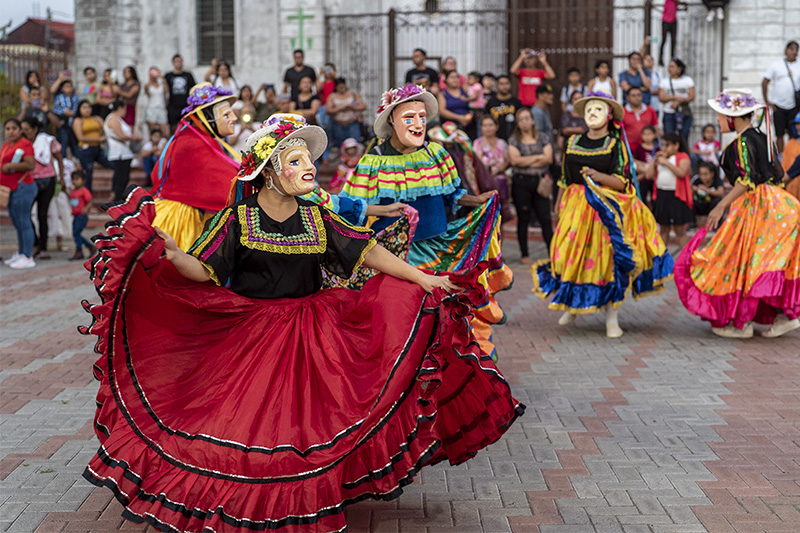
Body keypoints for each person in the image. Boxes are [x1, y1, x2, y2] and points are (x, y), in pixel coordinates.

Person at [80, 113, 524, 532]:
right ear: (270, 171)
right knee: (255, 426)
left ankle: (310, 492)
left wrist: (424, 277)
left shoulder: (316, 215)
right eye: (296, 160)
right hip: (252, 334)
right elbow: (206, 269)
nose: (310, 167)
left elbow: (366, 251)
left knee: (315, 422)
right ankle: (255, 498)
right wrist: (177, 256)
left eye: (310, 159)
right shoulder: (236, 218)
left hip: (315, 328)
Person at [338, 84, 513, 357]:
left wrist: (476, 201)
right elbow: (354, 206)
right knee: (403, 318)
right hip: (395, 258)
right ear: (392, 121)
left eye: (422, 116)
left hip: (439, 249)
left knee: (445, 313)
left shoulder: (437, 154)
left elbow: (452, 195)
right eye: (410, 117)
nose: (418, 124)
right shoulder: (373, 160)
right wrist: (380, 215)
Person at [533, 91, 673, 338]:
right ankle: (571, 306)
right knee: (569, 254)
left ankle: (612, 317)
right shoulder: (572, 142)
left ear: (609, 115)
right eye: (588, 110)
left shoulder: (615, 144)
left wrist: (600, 177)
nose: (592, 114)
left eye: (598, 109)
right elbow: (564, 179)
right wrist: (557, 206)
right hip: (575, 207)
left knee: (606, 259)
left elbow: (623, 181)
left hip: (605, 208)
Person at [675, 88, 799, 339]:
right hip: (777, 205)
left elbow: (745, 180)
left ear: (735, 118)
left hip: (754, 206)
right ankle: (780, 315)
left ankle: (744, 322)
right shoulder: (762, 137)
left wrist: (721, 205)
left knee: (737, 259)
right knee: (763, 261)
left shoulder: (741, 143)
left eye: (722, 115)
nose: (719, 120)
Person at [150, 83, 240, 250]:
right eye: (227, 115)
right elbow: (222, 184)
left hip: (189, 212)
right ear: (207, 118)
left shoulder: (192, 137)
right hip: (182, 220)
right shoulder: (192, 143)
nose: (234, 118)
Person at [508, 107, 553, 262]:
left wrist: (525, 160)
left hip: (540, 181)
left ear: (533, 120)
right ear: (517, 123)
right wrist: (538, 157)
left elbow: (548, 159)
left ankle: (552, 252)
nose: (524, 122)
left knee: (545, 218)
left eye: (527, 118)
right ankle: (524, 254)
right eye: (521, 119)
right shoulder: (514, 139)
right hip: (521, 181)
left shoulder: (542, 137)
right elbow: (515, 161)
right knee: (524, 217)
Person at [21, 117, 64, 260]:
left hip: (47, 180)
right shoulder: (23, 143)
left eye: (27, 129)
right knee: (26, 212)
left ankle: (43, 247)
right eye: (23, 130)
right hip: (30, 181)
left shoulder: (46, 140)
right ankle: (35, 242)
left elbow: (58, 157)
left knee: (42, 214)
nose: (25, 132)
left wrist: (62, 177)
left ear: (35, 129)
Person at [1, 119, 37, 269]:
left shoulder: (24, 144)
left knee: (24, 221)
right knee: (17, 222)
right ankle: (21, 252)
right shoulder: (6, 145)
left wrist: (11, 166)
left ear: (20, 130)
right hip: (11, 189)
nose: (10, 131)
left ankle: (28, 256)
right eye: (7, 129)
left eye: (14, 128)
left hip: (23, 187)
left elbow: (30, 164)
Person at [652, 132, 693, 250]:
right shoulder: (660, 158)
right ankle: (661, 257)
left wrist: (666, 163)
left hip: (676, 197)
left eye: (667, 145)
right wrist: (654, 161)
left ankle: (686, 259)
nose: (664, 148)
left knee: (679, 230)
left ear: (676, 145)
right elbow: (649, 175)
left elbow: (681, 173)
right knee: (664, 229)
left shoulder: (682, 157)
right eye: (662, 145)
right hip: (662, 195)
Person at [762, 41, 800, 153]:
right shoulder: (776, 65)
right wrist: (767, 101)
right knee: (779, 134)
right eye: (791, 49)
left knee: (793, 134)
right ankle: (781, 156)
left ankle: (793, 156)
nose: (794, 52)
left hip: (794, 106)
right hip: (778, 105)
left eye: (796, 49)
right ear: (786, 50)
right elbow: (765, 82)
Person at [104, 100, 141, 201]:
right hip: (119, 152)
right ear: (120, 108)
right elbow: (120, 135)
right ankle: (117, 198)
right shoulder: (113, 119)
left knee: (123, 177)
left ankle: (119, 197)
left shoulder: (118, 119)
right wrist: (134, 138)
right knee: (121, 177)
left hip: (125, 152)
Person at [72, 100, 112, 192]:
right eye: (84, 107)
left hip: (98, 148)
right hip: (86, 149)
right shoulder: (78, 120)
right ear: (79, 109)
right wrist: (99, 139)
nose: (87, 110)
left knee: (114, 165)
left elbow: (105, 130)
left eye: (89, 107)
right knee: (88, 174)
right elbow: (80, 137)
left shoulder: (97, 118)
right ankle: (87, 196)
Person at [474, 115, 510, 208]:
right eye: (485, 125)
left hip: (501, 180)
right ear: (481, 127)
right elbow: (478, 162)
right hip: (485, 181)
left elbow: (508, 161)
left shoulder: (502, 143)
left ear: (496, 126)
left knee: (502, 209)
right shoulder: (477, 143)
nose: (488, 128)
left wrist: (498, 169)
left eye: (490, 125)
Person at [660, 58, 695, 143]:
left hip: (683, 113)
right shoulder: (664, 82)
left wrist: (679, 101)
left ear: (679, 68)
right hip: (669, 112)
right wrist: (673, 97)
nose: (669, 69)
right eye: (669, 67)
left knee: (683, 136)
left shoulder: (687, 80)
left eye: (672, 67)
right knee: (669, 136)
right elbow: (661, 98)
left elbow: (692, 96)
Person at [326, 78, 365, 148]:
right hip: (338, 125)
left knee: (355, 144)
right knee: (338, 145)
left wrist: (353, 107)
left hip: (352, 124)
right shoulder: (332, 96)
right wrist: (339, 108)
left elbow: (362, 106)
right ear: (336, 87)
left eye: (343, 86)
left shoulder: (353, 94)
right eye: (339, 87)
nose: (342, 88)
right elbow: (328, 110)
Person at [484, 75, 523, 141]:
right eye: (501, 84)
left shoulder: (516, 103)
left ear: (510, 85)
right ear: (497, 86)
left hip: (514, 139)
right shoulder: (491, 103)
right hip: (495, 140)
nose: (504, 86)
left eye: (506, 83)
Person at [438, 70, 476, 139]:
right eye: (452, 77)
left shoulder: (465, 91)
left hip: (467, 125)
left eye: (457, 77)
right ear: (446, 80)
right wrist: (459, 118)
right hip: (450, 128)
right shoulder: (443, 94)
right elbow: (442, 111)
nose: (455, 80)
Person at [165, 54, 197, 134]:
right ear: (173, 63)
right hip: (173, 106)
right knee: (173, 130)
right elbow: (165, 91)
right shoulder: (168, 76)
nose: (179, 63)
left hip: (186, 106)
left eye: (180, 61)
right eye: (177, 61)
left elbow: (194, 89)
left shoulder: (188, 75)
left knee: (186, 128)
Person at [622, 86, 659, 153]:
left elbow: (656, 128)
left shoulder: (650, 110)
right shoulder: (622, 112)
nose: (637, 98)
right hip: (628, 150)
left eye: (639, 95)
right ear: (627, 97)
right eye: (633, 95)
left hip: (646, 150)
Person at [68, 170, 94, 260]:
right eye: (73, 179)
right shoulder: (73, 191)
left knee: (76, 233)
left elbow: (89, 201)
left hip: (81, 215)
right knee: (76, 233)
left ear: (83, 180)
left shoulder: (84, 191)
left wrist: (86, 208)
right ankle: (89, 246)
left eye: (77, 179)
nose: (74, 181)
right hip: (75, 215)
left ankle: (79, 250)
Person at [632, 125, 659, 208]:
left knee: (654, 199)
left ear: (654, 135)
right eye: (645, 134)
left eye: (649, 134)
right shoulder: (639, 148)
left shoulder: (657, 149)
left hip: (653, 179)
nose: (647, 137)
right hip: (643, 180)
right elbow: (633, 160)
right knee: (642, 198)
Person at [52, 78, 79, 157]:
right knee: (63, 141)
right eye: (66, 86)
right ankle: (62, 160)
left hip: (73, 123)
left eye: (70, 86)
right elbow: (55, 109)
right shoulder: (59, 97)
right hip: (64, 123)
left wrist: (73, 112)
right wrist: (64, 111)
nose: (69, 88)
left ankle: (77, 159)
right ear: (62, 89)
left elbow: (79, 107)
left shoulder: (75, 98)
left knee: (74, 143)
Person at [143, 67, 169, 135]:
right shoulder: (147, 85)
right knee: (152, 132)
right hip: (151, 109)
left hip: (161, 108)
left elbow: (167, 91)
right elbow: (146, 92)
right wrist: (150, 77)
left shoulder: (161, 85)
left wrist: (162, 78)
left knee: (164, 132)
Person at [641, 47, 662, 116]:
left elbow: (661, 90)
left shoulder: (658, 75)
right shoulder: (640, 74)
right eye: (646, 59)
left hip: (654, 106)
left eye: (651, 59)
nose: (649, 61)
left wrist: (646, 90)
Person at [660, 0, 681, 66]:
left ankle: (672, 57)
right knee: (664, 40)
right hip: (666, 21)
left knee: (673, 40)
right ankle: (660, 58)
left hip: (673, 20)